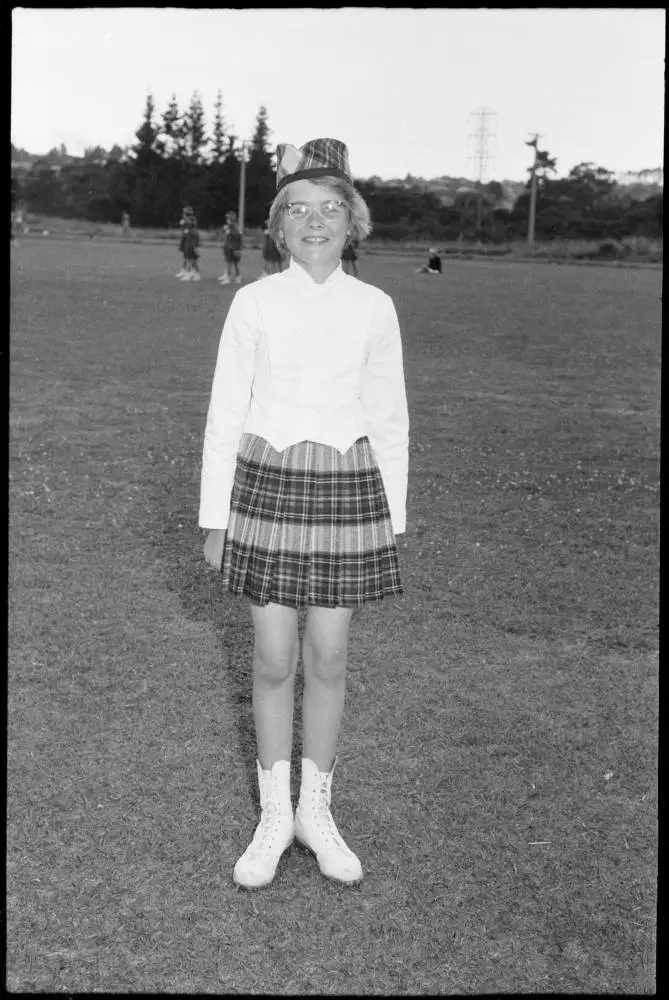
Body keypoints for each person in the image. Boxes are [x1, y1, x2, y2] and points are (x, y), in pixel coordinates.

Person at [200, 137, 409, 890]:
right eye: (299, 209)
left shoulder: (374, 306)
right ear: (279, 227)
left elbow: (389, 418)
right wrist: (215, 518)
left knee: (327, 657)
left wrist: (396, 517)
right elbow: (225, 413)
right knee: (272, 658)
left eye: (330, 208)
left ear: (351, 222)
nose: (314, 221)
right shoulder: (252, 302)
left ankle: (315, 812)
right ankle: (272, 815)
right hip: (265, 483)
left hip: (349, 487)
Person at [219, 210, 243, 284]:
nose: (227, 220)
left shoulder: (234, 228)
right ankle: (236, 277)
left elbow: (237, 237)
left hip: (232, 248)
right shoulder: (230, 227)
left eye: (228, 219)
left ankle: (229, 278)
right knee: (231, 263)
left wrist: (229, 231)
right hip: (230, 248)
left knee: (231, 263)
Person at [177, 206, 197, 278]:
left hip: (189, 240)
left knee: (190, 257)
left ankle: (192, 272)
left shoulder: (191, 219)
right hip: (185, 239)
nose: (184, 214)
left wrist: (185, 222)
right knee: (185, 256)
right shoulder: (185, 219)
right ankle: (184, 270)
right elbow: (183, 228)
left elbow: (192, 227)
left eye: (185, 212)